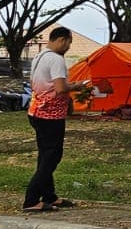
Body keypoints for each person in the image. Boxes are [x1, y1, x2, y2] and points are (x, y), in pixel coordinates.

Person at [23, 27, 88, 213]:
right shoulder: (56, 59)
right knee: (52, 156)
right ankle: (31, 199)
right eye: (68, 43)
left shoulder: (40, 56)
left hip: (36, 111)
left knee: (45, 155)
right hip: (51, 115)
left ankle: (49, 195)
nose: (68, 47)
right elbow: (60, 88)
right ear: (61, 40)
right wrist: (77, 86)